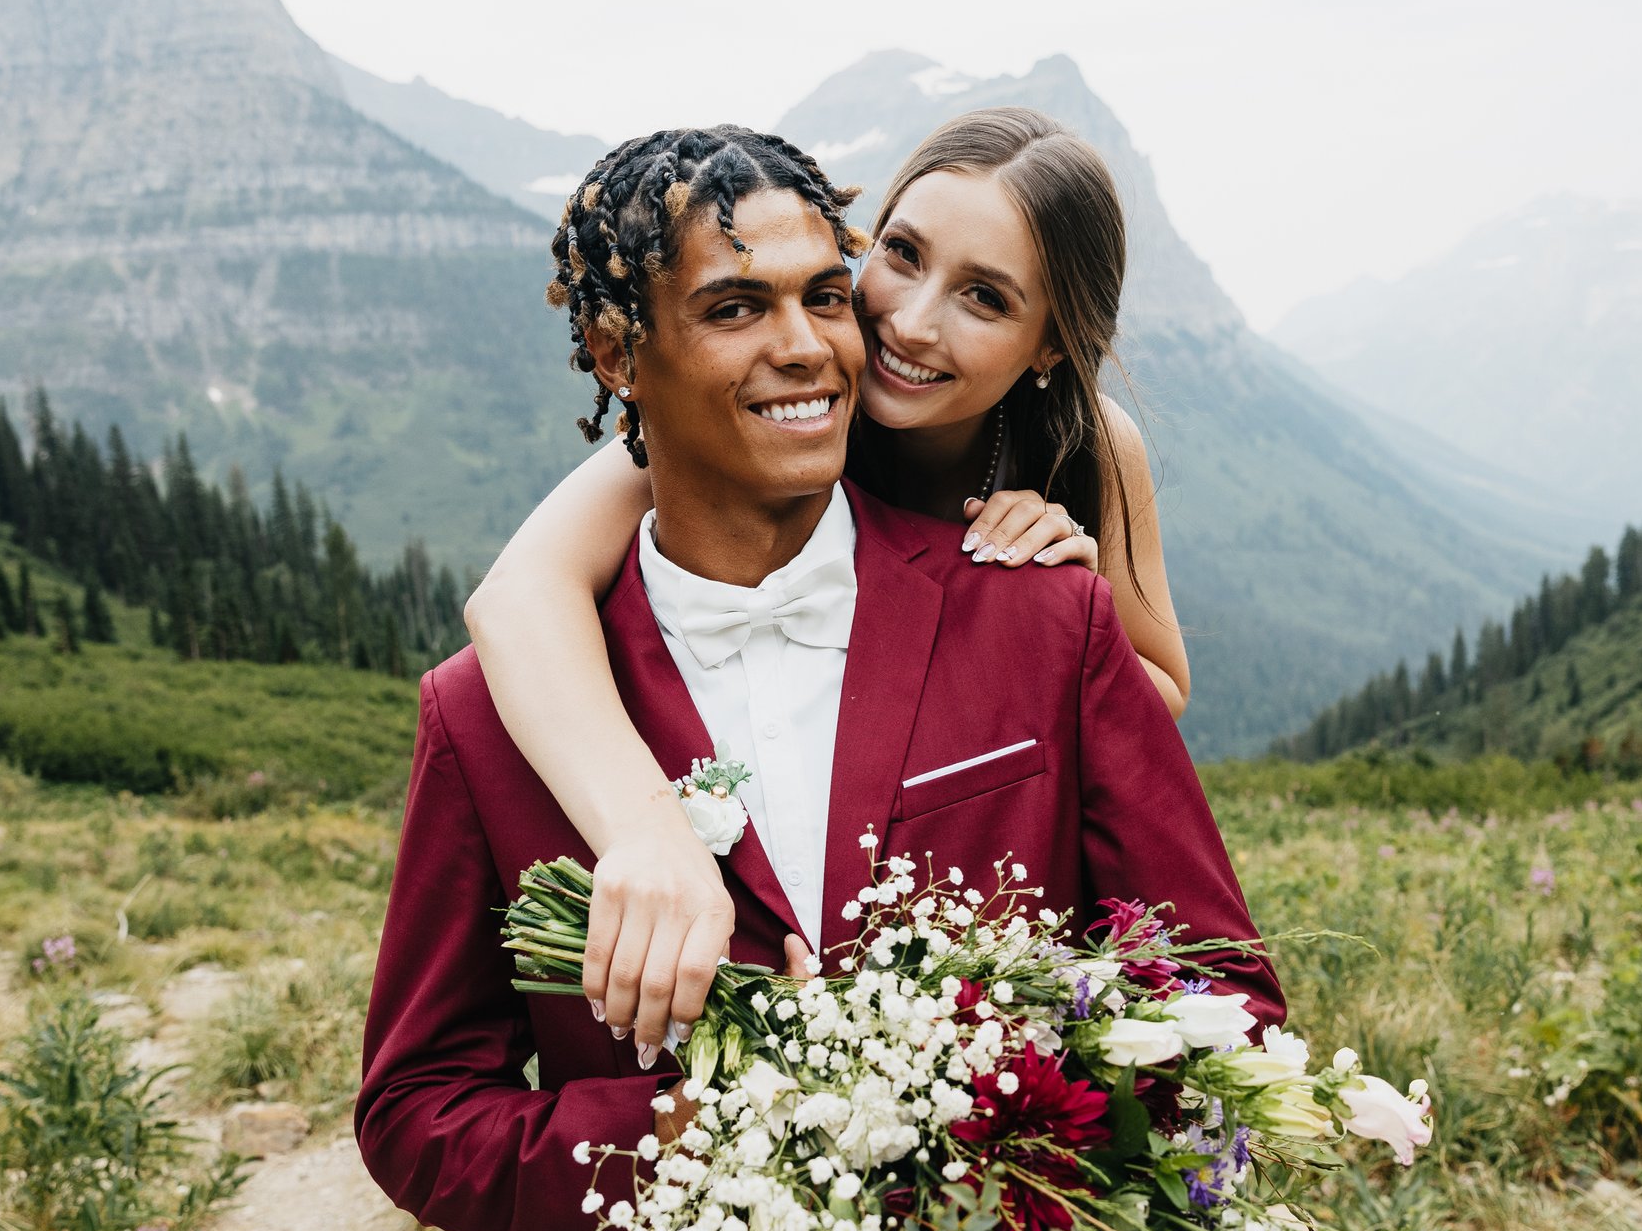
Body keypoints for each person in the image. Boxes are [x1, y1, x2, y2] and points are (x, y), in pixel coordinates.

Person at [356, 124, 1282, 1231]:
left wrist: (980, 1105)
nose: (821, 343)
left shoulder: (1049, 612)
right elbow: (418, 1113)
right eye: (737, 306)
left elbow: (1225, 1005)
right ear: (616, 352)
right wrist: (677, 1134)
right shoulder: (495, 717)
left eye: (823, 295)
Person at [460, 107, 1187, 1058]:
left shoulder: (1090, 448)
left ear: (1050, 346)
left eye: (984, 298)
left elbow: (1159, 684)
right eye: (902, 254)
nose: (911, 322)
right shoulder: (775, 412)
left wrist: (1058, 624)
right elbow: (517, 596)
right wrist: (646, 830)